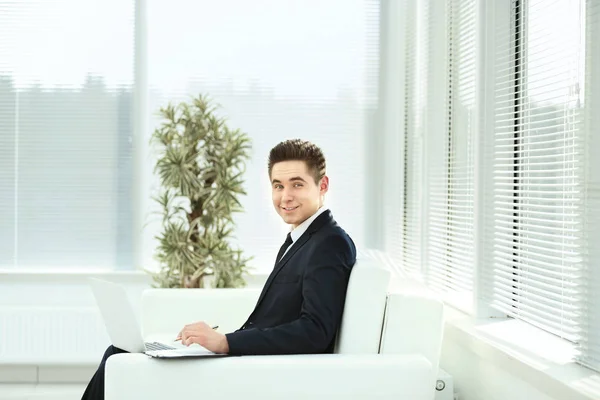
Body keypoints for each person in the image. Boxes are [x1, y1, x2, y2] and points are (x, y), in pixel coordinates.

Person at [81, 138, 356, 399]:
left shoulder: (329, 243)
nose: (285, 197)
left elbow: (315, 331)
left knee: (118, 356)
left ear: (323, 186)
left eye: (297, 184)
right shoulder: (301, 239)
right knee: (119, 352)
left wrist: (225, 343)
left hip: (262, 372)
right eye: (277, 185)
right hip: (247, 361)